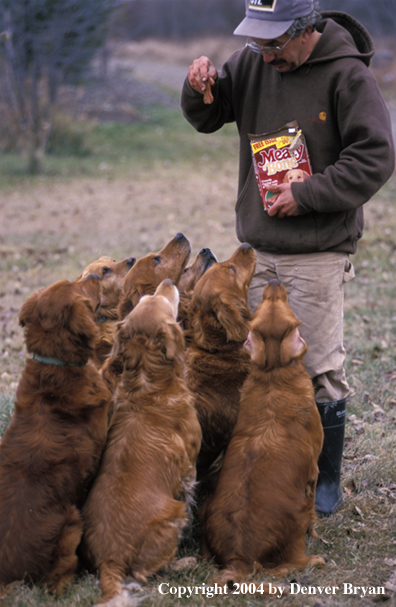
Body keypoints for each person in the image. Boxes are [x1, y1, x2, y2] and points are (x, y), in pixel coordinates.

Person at [181, 0, 395, 517]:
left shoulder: (348, 76)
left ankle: (324, 481)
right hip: (256, 251)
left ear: (307, 31)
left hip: (317, 252)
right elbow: (210, 115)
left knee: (318, 369)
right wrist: (198, 90)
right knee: (253, 365)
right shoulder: (255, 62)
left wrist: (311, 193)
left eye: (274, 43)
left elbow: (376, 156)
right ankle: (258, 469)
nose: (264, 53)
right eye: (256, 41)